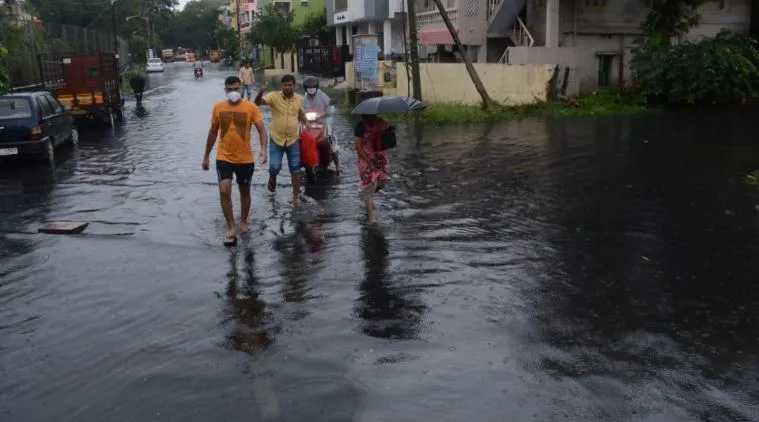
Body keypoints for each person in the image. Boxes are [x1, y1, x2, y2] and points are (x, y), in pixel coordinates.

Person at [202, 76, 268, 246]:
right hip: (224, 156)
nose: (233, 92)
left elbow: (261, 129)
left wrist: (263, 149)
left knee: (244, 192)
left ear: (241, 89)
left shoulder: (251, 107)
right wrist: (206, 156)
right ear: (225, 90)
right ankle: (231, 227)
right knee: (224, 190)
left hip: (245, 158)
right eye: (230, 89)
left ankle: (244, 221)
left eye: (236, 89)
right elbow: (212, 132)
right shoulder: (218, 107)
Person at [254, 74, 308, 205]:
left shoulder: (300, 99)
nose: (288, 87)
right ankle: (272, 178)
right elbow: (257, 103)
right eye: (285, 85)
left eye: (290, 85)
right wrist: (261, 91)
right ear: (281, 86)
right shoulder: (274, 96)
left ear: (294, 86)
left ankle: (295, 197)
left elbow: (300, 113)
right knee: (274, 167)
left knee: (295, 169)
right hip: (276, 138)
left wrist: (308, 123)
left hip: (293, 139)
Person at [354, 114, 391, 225]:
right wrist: (369, 161)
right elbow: (358, 147)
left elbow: (388, 140)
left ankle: (367, 197)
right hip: (365, 159)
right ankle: (371, 216)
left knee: (382, 181)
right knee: (370, 184)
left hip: (379, 158)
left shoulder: (382, 123)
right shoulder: (360, 126)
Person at [302, 77, 340, 174]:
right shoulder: (303, 98)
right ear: (305, 88)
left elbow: (329, 104)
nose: (311, 90)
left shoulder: (322, 95)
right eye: (309, 88)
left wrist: (330, 110)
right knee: (298, 136)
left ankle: (337, 166)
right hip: (308, 122)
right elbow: (299, 109)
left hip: (322, 120)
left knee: (330, 138)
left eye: (313, 88)